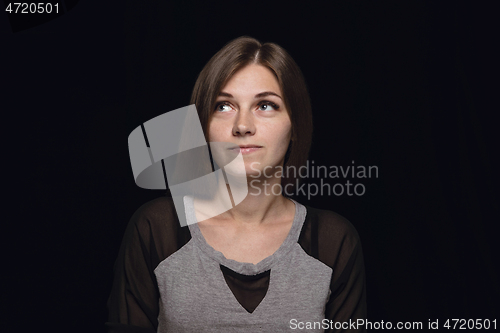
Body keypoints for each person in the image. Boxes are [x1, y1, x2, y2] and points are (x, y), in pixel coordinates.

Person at [106, 36, 367, 332]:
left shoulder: (334, 242)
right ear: (203, 125)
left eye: (266, 105)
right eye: (224, 106)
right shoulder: (156, 229)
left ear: (295, 125)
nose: (243, 126)